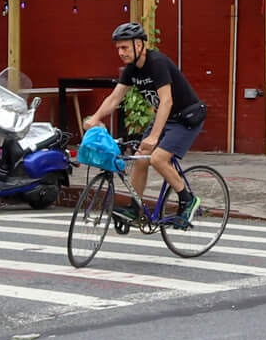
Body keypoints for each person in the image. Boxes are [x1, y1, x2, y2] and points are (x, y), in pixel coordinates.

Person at [84, 22, 207, 223]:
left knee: (157, 158)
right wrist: (95, 118)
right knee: (140, 158)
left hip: (185, 118)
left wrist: (154, 136)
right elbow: (115, 98)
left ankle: (188, 199)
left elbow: (167, 100)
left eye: (124, 47)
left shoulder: (156, 63)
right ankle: (135, 208)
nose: (121, 52)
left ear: (139, 45)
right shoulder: (132, 69)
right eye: (118, 49)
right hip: (165, 117)